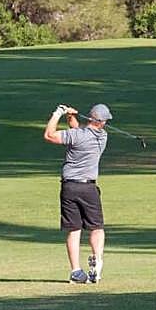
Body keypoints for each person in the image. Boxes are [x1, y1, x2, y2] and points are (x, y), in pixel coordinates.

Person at [43, 103, 111, 284]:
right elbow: (79, 131)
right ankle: (97, 259)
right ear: (102, 122)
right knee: (96, 227)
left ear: (90, 118)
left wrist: (57, 114)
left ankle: (76, 271)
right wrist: (71, 117)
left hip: (70, 188)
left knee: (74, 229)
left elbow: (49, 135)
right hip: (89, 188)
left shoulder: (77, 135)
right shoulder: (102, 137)